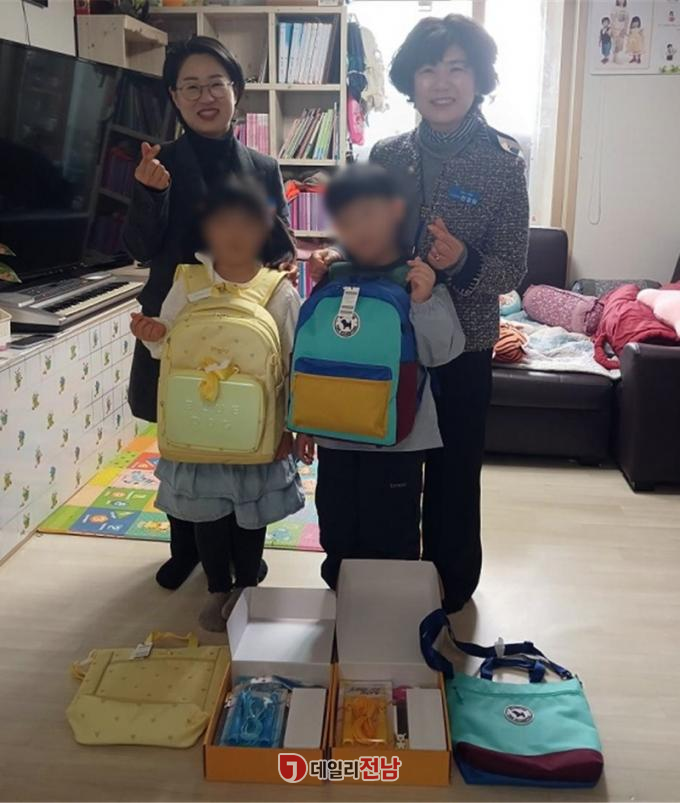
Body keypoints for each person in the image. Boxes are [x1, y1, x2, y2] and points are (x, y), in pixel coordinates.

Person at [310, 15, 529, 612]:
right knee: (384, 463)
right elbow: (367, 238)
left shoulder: (503, 161)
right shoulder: (387, 154)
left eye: (457, 68)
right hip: (386, 339)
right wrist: (339, 256)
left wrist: (460, 263)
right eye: (429, 69)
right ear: (411, 80)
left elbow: (512, 269)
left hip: (465, 347)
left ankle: (452, 584)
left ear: (478, 78)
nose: (442, 81)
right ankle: (384, 576)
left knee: (455, 472)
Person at [123, 36, 292, 591]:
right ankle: (185, 547)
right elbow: (140, 248)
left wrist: (288, 269)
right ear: (174, 97)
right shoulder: (160, 163)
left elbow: (279, 245)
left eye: (215, 84)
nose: (205, 97)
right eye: (190, 87)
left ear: (236, 91)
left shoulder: (263, 166)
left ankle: (242, 546)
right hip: (178, 324)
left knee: (244, 431)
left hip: (244, 328)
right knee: (182, 437)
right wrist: (149, 194)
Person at [130, 179, 303, 631]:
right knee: (206, 510)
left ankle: (246, 585)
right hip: (197, 423)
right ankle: (216, 587)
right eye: (222, 221)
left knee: (250, 512)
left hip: (257, 426)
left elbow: (292, 361)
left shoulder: (278, 290)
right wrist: (153, 335)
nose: (234, 232)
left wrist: (291, 426)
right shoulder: (188, 281)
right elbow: (169, 345)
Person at [295, 164, 465, 589]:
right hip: (335, 436)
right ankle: (342, 597)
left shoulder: (417, 279)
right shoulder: (332, 277)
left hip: (399, 440)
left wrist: (424, 300)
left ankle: (389, 608)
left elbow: (443, 352)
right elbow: (310, 356)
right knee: (337, 527)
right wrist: (301, 424)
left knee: (392, 531)